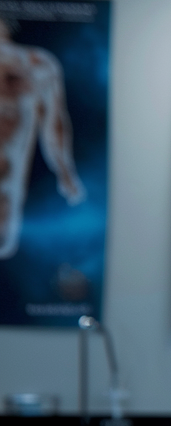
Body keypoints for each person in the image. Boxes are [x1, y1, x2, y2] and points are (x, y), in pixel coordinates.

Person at [0, 18, 85, 259]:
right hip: (8, 181)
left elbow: (54, 126)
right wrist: (65, 174)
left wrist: (65, 173)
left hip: (8, 183)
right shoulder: (37, 64)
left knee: (4, 242)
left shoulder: (36, 65)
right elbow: (54, 127)